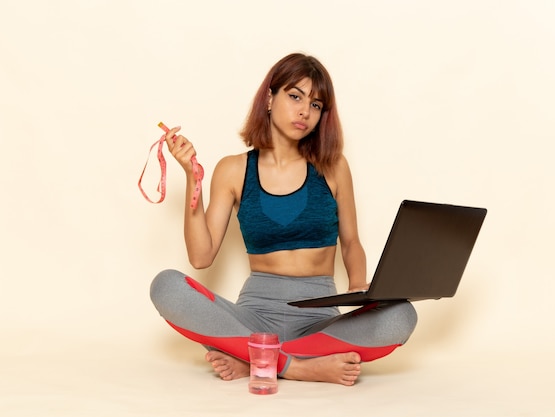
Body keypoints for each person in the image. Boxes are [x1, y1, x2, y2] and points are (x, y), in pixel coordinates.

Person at [150, 53, 417, 386]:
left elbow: (350, 242)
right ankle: (297, 366)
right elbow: (201, 257)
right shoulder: (233, 170)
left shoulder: (333, 167)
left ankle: (256, 358)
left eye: (316, 105)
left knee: (401, 315)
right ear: (269, 98)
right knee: (167, 286)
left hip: (319, 322)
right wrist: (193, 177)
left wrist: (359, 286)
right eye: (295, 96)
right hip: (251, 316)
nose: (305, 110)